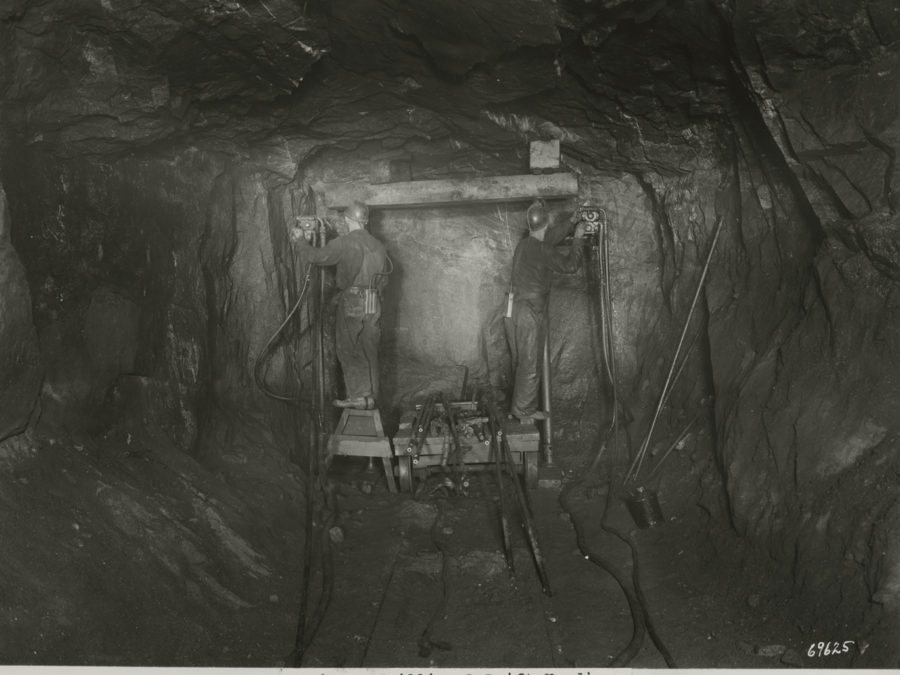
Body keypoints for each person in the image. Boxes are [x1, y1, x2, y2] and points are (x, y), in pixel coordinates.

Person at [291, 200, 389, 410]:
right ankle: (372, 397)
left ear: (348, 219)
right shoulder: (378, 246)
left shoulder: (346, 242)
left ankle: (359, 396)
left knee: (348, 346)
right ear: (365, 221)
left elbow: (317, 257)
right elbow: (384, 280)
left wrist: (300, 241)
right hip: (373, 300)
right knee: (369, 347)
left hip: (354, 299)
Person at [505, 199, 585, 422]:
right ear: (546, 222)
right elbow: (570, 266)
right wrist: (578, 239)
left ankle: (523, 408)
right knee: (530, 361)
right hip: (530, 310)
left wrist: (570, 222)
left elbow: (548, 239)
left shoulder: (526, 244)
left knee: (525, 360)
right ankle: (523, 411)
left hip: (517, 308)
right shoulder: (541, 249)